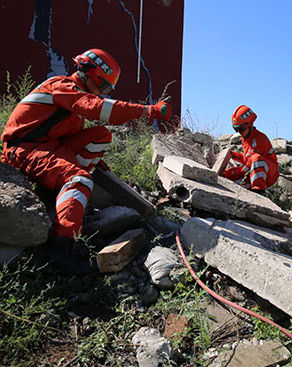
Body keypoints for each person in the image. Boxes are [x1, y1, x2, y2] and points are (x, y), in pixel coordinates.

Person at [1, 48, 174, 274]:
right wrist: (148, 111)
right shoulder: (61, 86)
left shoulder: (72, 99)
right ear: (88, 72)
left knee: (101, 136)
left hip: (45, 147)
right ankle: (61, 246)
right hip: (24, 150)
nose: (103, 93)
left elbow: (70, 134)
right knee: (79, 179)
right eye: (103, 86)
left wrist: (99, 164)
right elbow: (99, 109)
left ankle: (62, 196)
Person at [220, 105, 279, 192]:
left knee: (256, 159)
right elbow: (246, 159)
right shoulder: (246, 139)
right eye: (236, 129)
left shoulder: (260, 139)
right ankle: (249, 185)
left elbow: (248, 166)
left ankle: (258, 190)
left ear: (250, 124)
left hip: (270, 175)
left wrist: (229, 173)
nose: (239, 132)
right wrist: (233, 155)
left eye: (242, 129)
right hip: (256, 170)